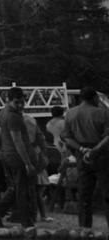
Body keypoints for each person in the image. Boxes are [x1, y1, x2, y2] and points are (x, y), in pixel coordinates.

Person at [0, 87, 37, 229]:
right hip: (17, 157)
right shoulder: (13, 116)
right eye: (17, 102)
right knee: (22, 191)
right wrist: (27, 163)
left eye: (22, 102)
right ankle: (26, 222)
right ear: (9, 100)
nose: (20, 105)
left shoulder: (3, 112)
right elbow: (17, 141)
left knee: (16, 189)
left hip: (8, 156)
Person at [61, 85, 109, 231]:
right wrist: (94, 150)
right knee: (107, 192)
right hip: (101, 155)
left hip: (81, 155)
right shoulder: (103, 113)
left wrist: (82, 149)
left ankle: (84, 228)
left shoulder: (70, 114)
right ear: (95, 98)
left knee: (84, 193)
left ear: (80, 98)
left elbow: (66, 138)